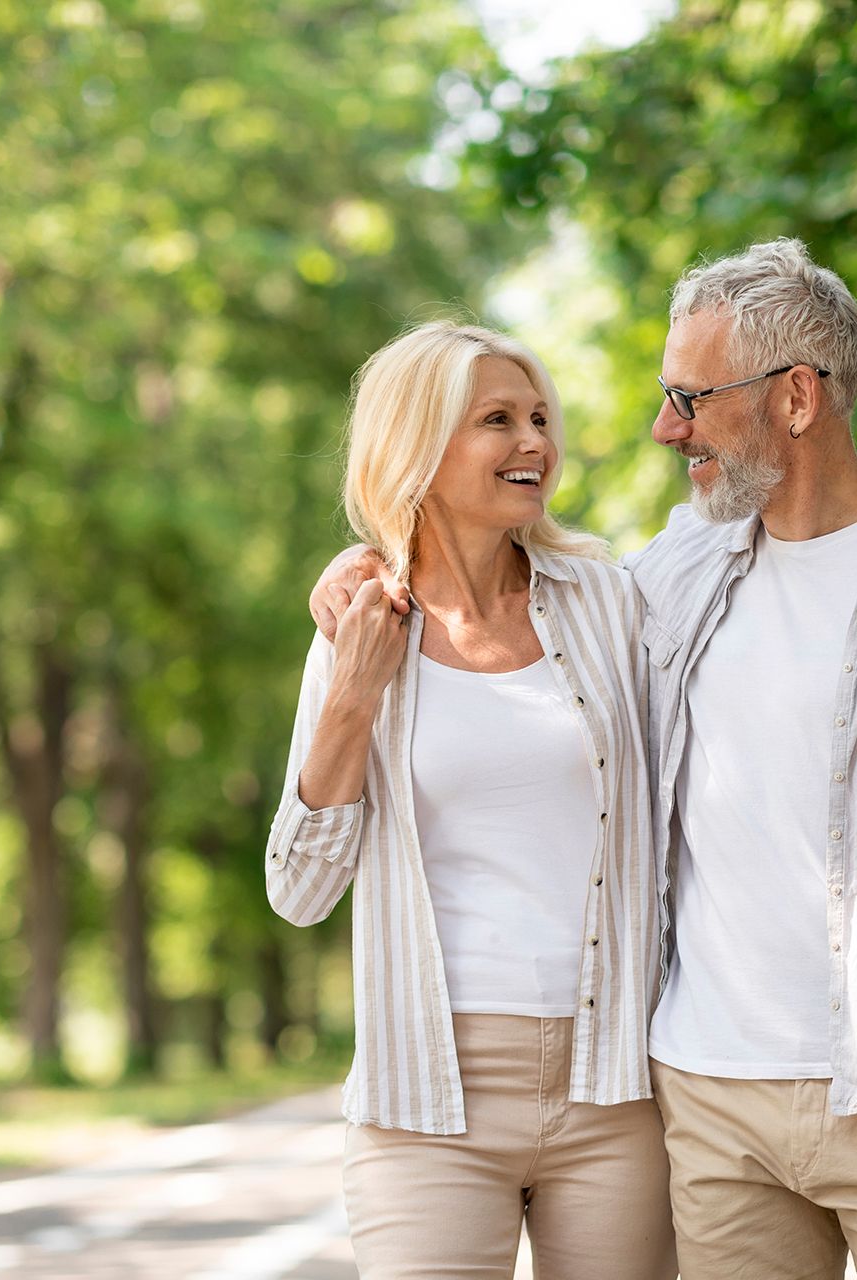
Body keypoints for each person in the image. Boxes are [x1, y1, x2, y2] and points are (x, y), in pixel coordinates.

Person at [311, 241, 857, 1280]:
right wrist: (366, 565)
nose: (668, 427)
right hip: (711, 1106)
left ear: (797, 397)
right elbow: (488, 582)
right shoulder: (669, 577)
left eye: (691, 397)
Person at [267, 321, 676, 1279]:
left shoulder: (612, 603)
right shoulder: (358, 631)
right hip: (426, 1098)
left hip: (614, 1082)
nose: (534, 442)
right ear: (417, 446)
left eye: (540, 417)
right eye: (498, 420)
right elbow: (298, 889)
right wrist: (353, 697)